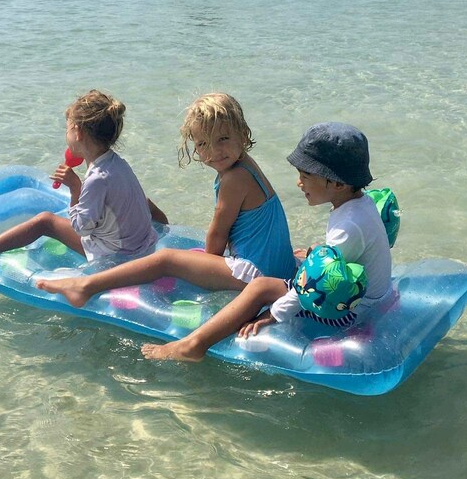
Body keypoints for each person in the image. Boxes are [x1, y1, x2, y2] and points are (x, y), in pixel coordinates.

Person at [141, 122, 392, 362]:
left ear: (337, 183)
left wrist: (273, 313)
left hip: (350, 310)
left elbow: (315, 288)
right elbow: (348, 254)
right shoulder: (360, 206)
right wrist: (320, 254)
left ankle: (193, 345)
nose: (299, 182)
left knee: (260, 287)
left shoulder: (347, 227)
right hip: (370, 294)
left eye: (305, 175)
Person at [36, 93, 295, 306]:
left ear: (242, 133)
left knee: (166, 260)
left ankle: (85, 286)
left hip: (258, 276)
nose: (214, 151)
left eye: (223, 139)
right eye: (203, 144)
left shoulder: (233, 180)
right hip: (278, 268)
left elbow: (218, 234)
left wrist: (202, 271)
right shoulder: (247, 165)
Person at [0, 90, 166, 271]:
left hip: (118, 257)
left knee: (45, 221)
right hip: (144, 246)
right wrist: (162, 225)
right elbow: (141, 201)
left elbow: (82, 228)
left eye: (67, 129)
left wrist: (76, 189)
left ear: (77, 132)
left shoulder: (96, 179)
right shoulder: (119, 164)